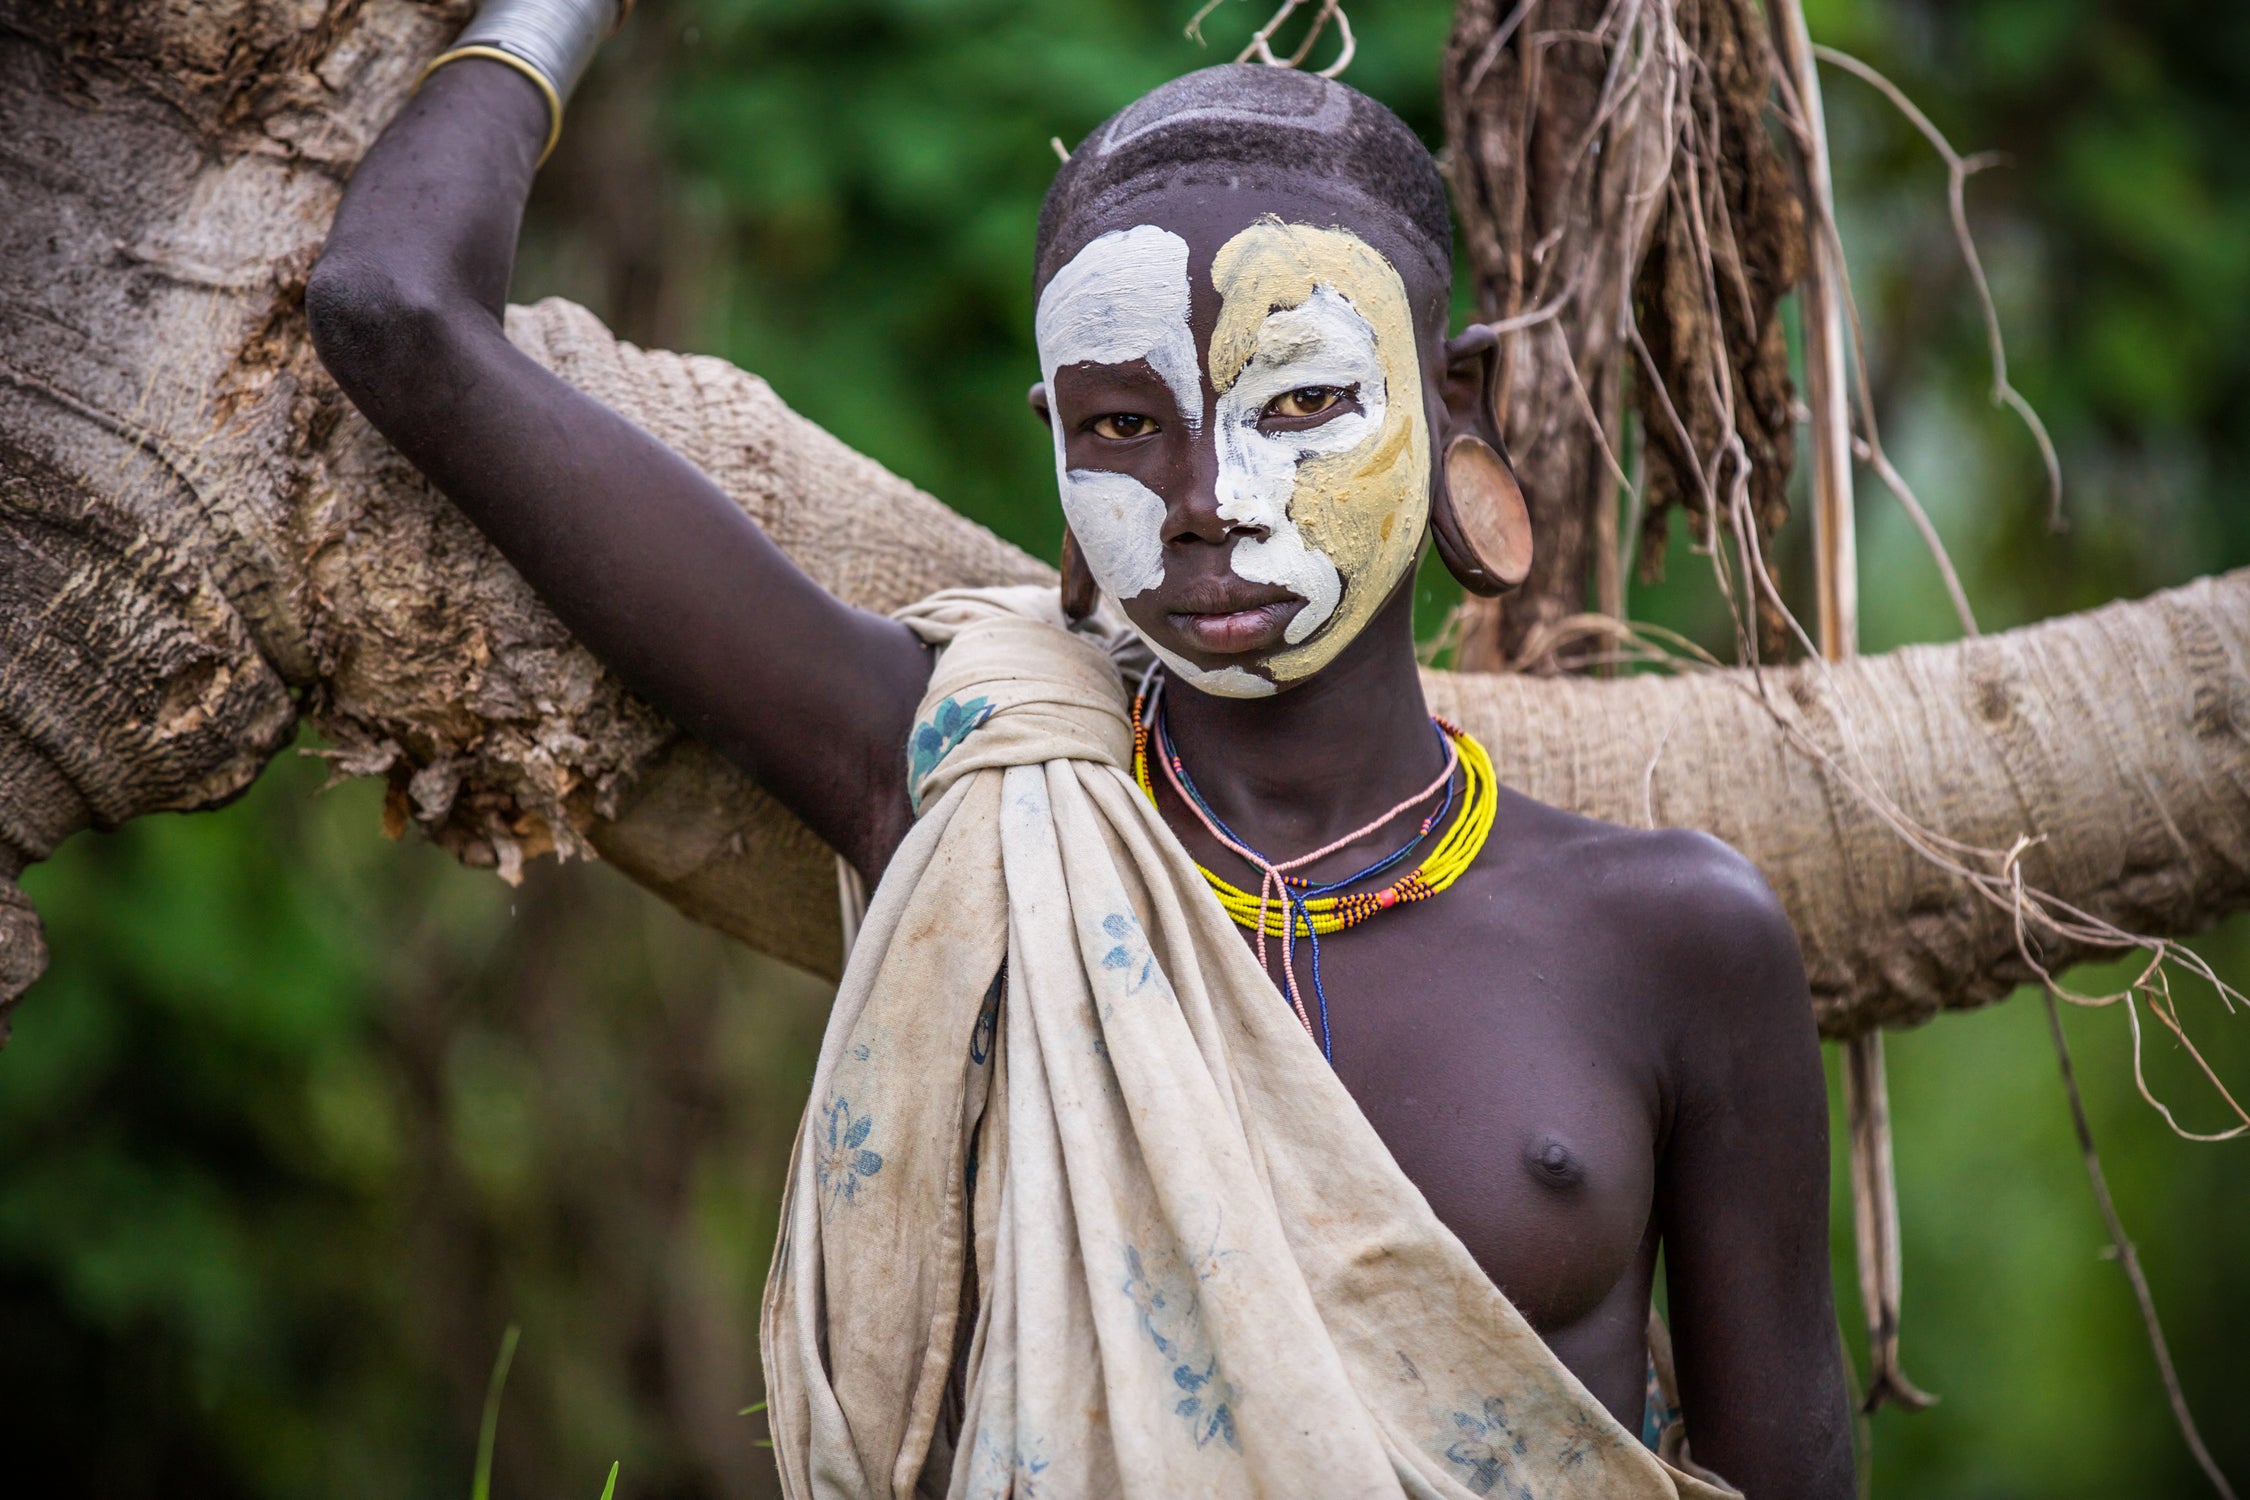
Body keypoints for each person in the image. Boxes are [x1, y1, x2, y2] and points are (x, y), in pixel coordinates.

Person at [308, 4, 1852, 1494]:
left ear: (1453, 407)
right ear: (1053, 443)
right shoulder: (959, 775)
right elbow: (392, 309)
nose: (1205, 494)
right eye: (1123, 426)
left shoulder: (1670, 938)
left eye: (1301, 401)